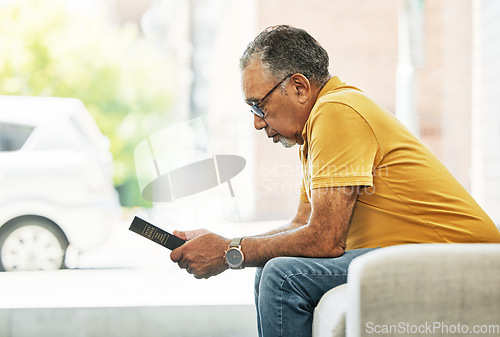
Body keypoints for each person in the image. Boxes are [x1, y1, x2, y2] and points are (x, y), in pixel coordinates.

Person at [170, 25, 500, 337]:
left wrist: (230, 253)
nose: (257, 123)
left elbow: (325, 240)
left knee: (282, 277)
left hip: (460, 259)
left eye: (259, 105)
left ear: (299, 87)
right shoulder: (314, 131)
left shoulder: (336, 110)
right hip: (420, 254)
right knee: (269, 268)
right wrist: (228, 242)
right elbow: (301, 225)